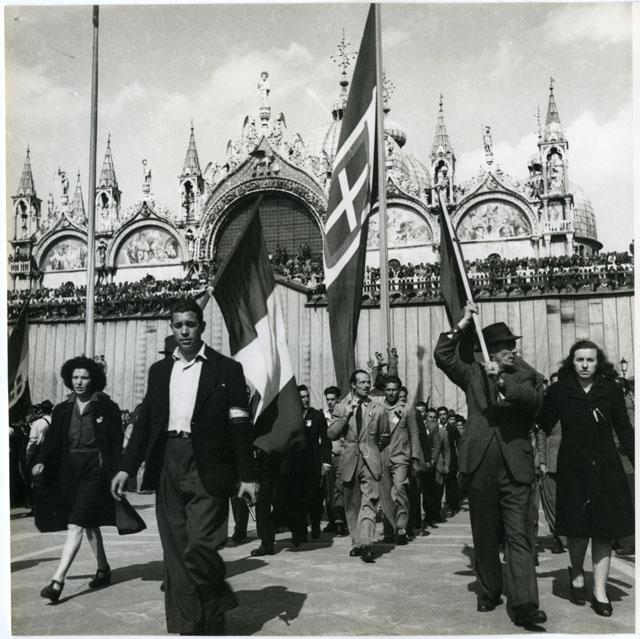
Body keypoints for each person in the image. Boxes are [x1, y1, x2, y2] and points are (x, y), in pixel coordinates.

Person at [111, 299, 258, 635]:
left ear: (202, 327)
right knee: (175, 550)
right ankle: (189, 624)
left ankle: (216, 597)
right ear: (172, 328)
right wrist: (126, 467)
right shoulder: (159, 371)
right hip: (168, 460)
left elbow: (240, 425)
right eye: (178, 325)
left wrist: (248, 476)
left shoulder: (227, 368)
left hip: (208, 463)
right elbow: (146, 422)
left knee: (201, 544)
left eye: (190, 324)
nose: (185, 331)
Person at [434, 303, 547, 628]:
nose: (512, 350)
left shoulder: (527, 375)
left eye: (512, 344)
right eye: (504, 346)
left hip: (516, 467)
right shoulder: (472, 373)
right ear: (489, 351)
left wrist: (503, 383)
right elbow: (442, 355)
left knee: (519, 535)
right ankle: (489, 590)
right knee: (483, 534)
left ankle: (524, 603)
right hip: (479, 464)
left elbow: (533, 402)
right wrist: (464, 323)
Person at [537, 340, 634, 617]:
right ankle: (577, 572)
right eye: (579, 360)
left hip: (606, 469)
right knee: (578, 531)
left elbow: (624, 429)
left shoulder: (611, 390)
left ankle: (600, 590)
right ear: (572, 362)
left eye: (590, 360)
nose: (584, 365)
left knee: (604, 531)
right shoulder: (559, 390)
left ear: (598, 362)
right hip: (573, 469)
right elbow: (541, 422)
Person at [32, 357, 123, 603]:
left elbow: (115, 443)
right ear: (69, 379)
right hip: (70, 471)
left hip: (96, 469)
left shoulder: (107, 407)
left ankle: (57, 581)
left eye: (84, 377)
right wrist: (42, 461)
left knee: (76, 523)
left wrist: (118, 472)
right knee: (88, 522)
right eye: (75, 377)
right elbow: (52, 441)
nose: (79, 382)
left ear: (94, 379)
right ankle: (103, 568)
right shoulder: (62, 409)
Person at [327, 370, 389, 563]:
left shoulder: (378, 409)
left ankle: (367, 544)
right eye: (362, 382)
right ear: (353, 385)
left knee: (370, 502)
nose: (366, 385)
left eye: (368, 382)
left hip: (370, 461)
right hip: (349, 461)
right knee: (352, 505)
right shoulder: (341, 407)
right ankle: (357, 542)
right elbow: (331, 434)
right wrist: (345, 417)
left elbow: (384, 436)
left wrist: (372, 450)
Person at [380, 376, 422, 545]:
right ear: (384, 390)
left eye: (394, 389)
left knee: (400, 490)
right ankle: (389, 530)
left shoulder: (407, 409)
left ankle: (401, 527)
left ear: (399, 390)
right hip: (382, 457)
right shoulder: (378, 408)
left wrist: (415, 457)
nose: (391, 393)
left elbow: (414, 434)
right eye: (388, 389)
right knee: (385, 496)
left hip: (401, 457)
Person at [298, 385, 331, 539]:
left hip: (313, 463)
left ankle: (315, 523)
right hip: (296, 464)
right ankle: (301, 528)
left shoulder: (317, 415)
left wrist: (326, 461)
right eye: (302, 397)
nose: (305, 399)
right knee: (299, 497)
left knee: (315, 496)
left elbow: (325, 440)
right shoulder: (292, 415)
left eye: (307, 396)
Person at [322, 386, 348, 536]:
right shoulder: (324, 416)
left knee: (340, 488)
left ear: (338, 400)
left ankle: (340, 520)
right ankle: (333, 520)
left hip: (341, 455)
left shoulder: (343, 415)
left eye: (333, 399)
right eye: (328, 399)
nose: (330, 402)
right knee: (328, 490)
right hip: (328, 457)